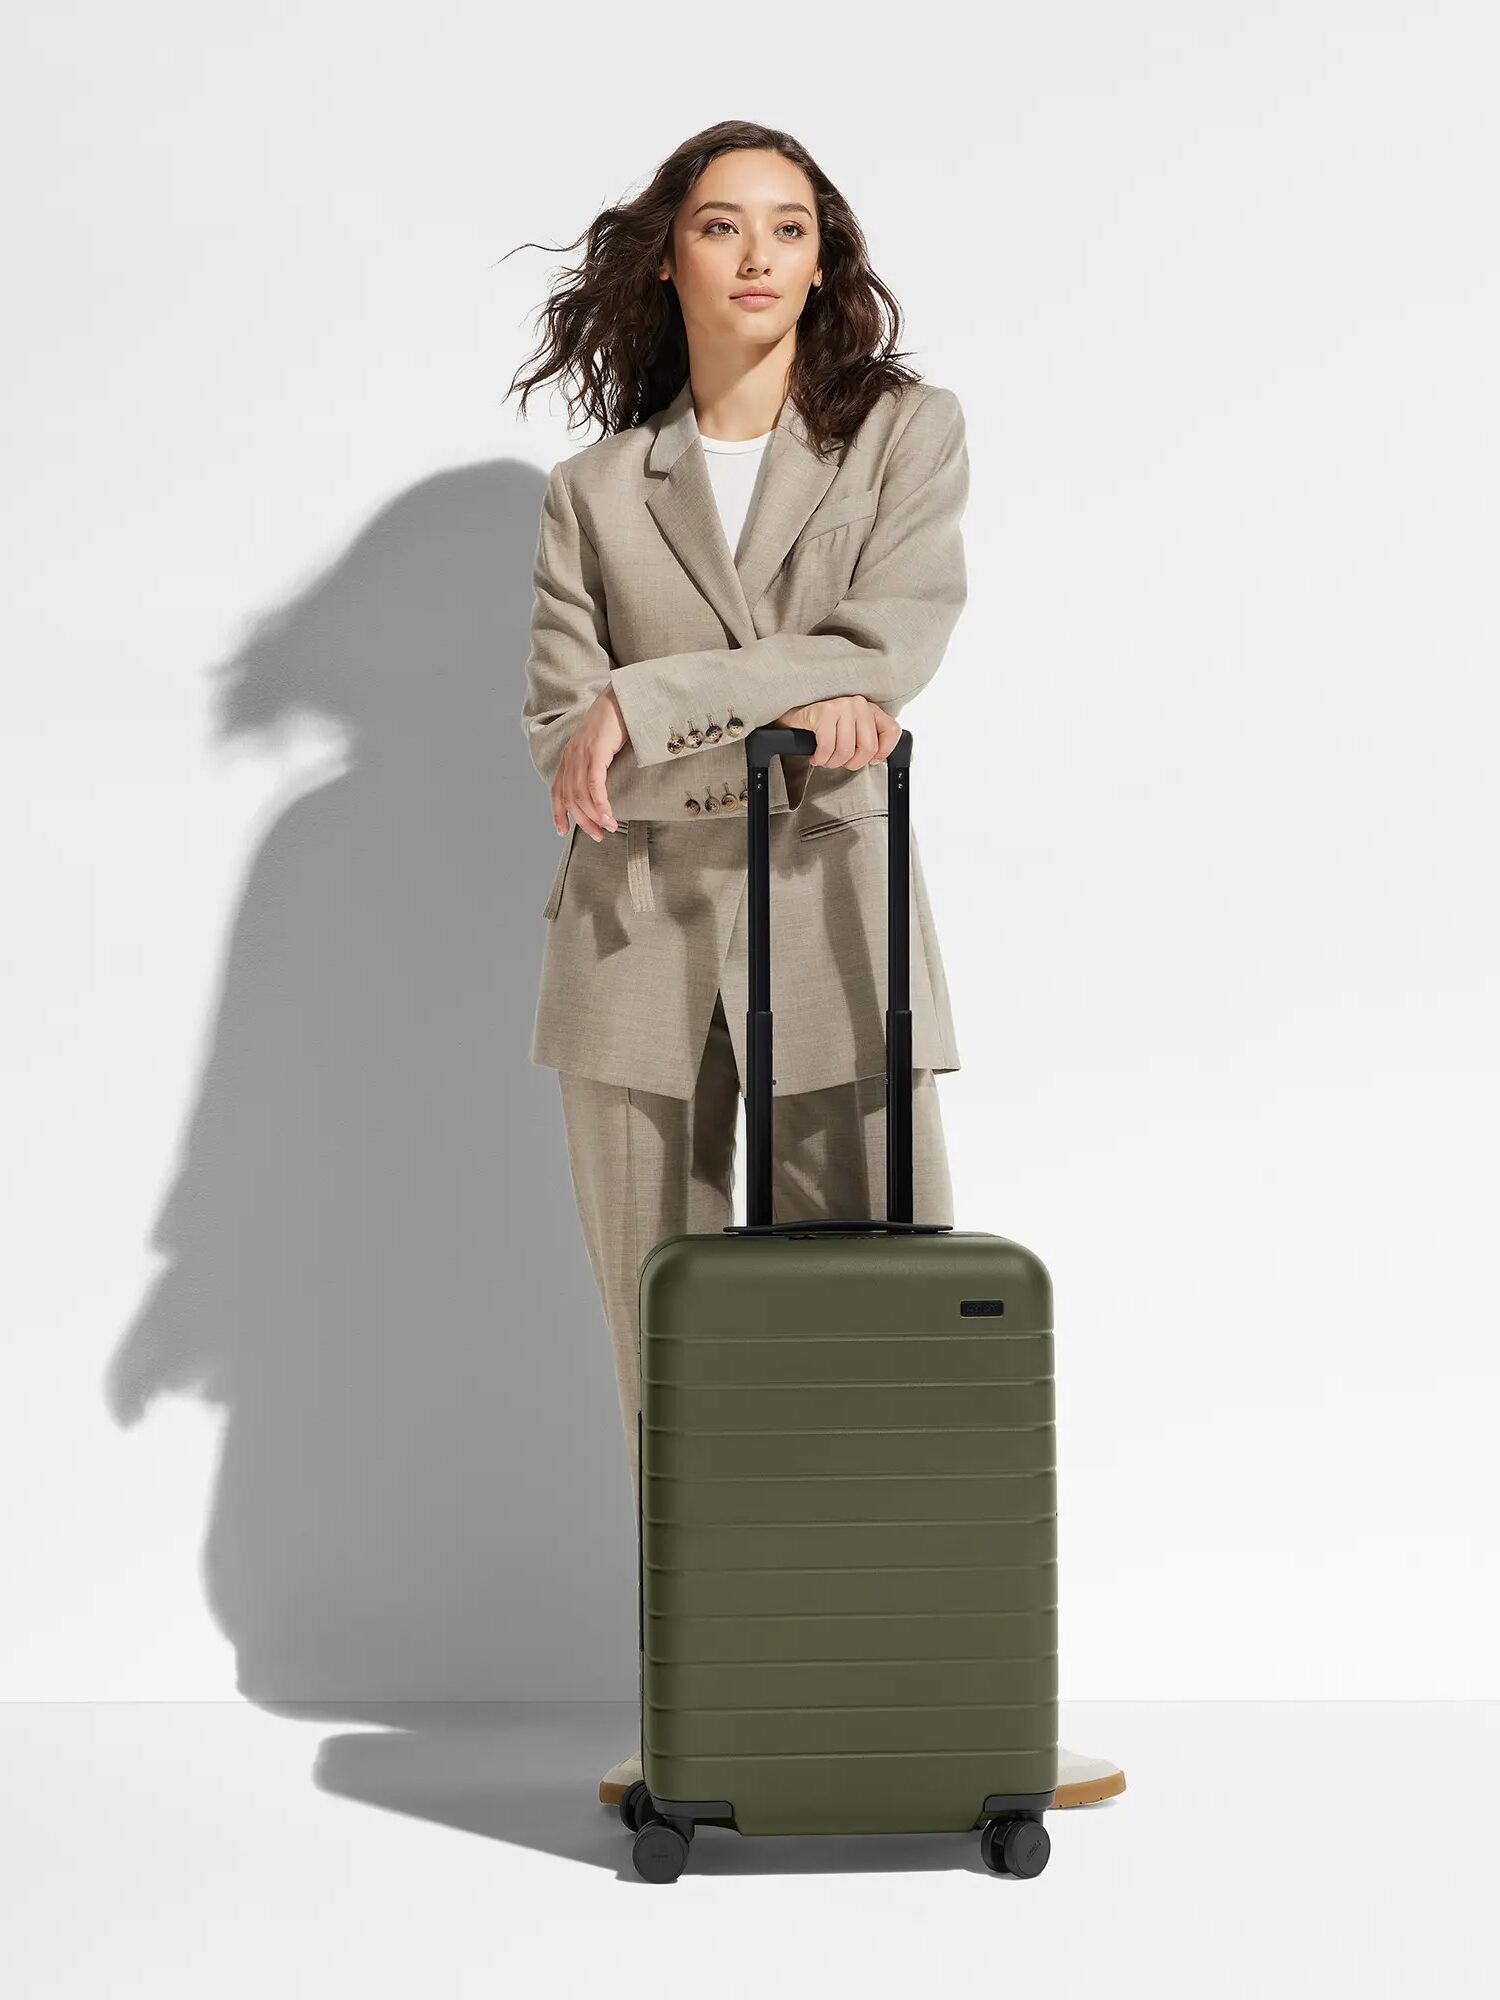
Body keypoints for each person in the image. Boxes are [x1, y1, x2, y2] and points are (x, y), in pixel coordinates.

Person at [508, 120, 1125, 1813]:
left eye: (793, 226)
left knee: (884, 1339)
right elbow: (563, 739)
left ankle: (933, 1688)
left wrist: (659, 697)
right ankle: (715, 1708)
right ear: (669, 260)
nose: (762, 256)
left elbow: (891, 643)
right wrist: (753, 710)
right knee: (667, 1360)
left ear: (827, 258)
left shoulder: (902, 437)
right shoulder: (588, 493)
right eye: (723, 226)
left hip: (837, 933)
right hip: (627, 952)